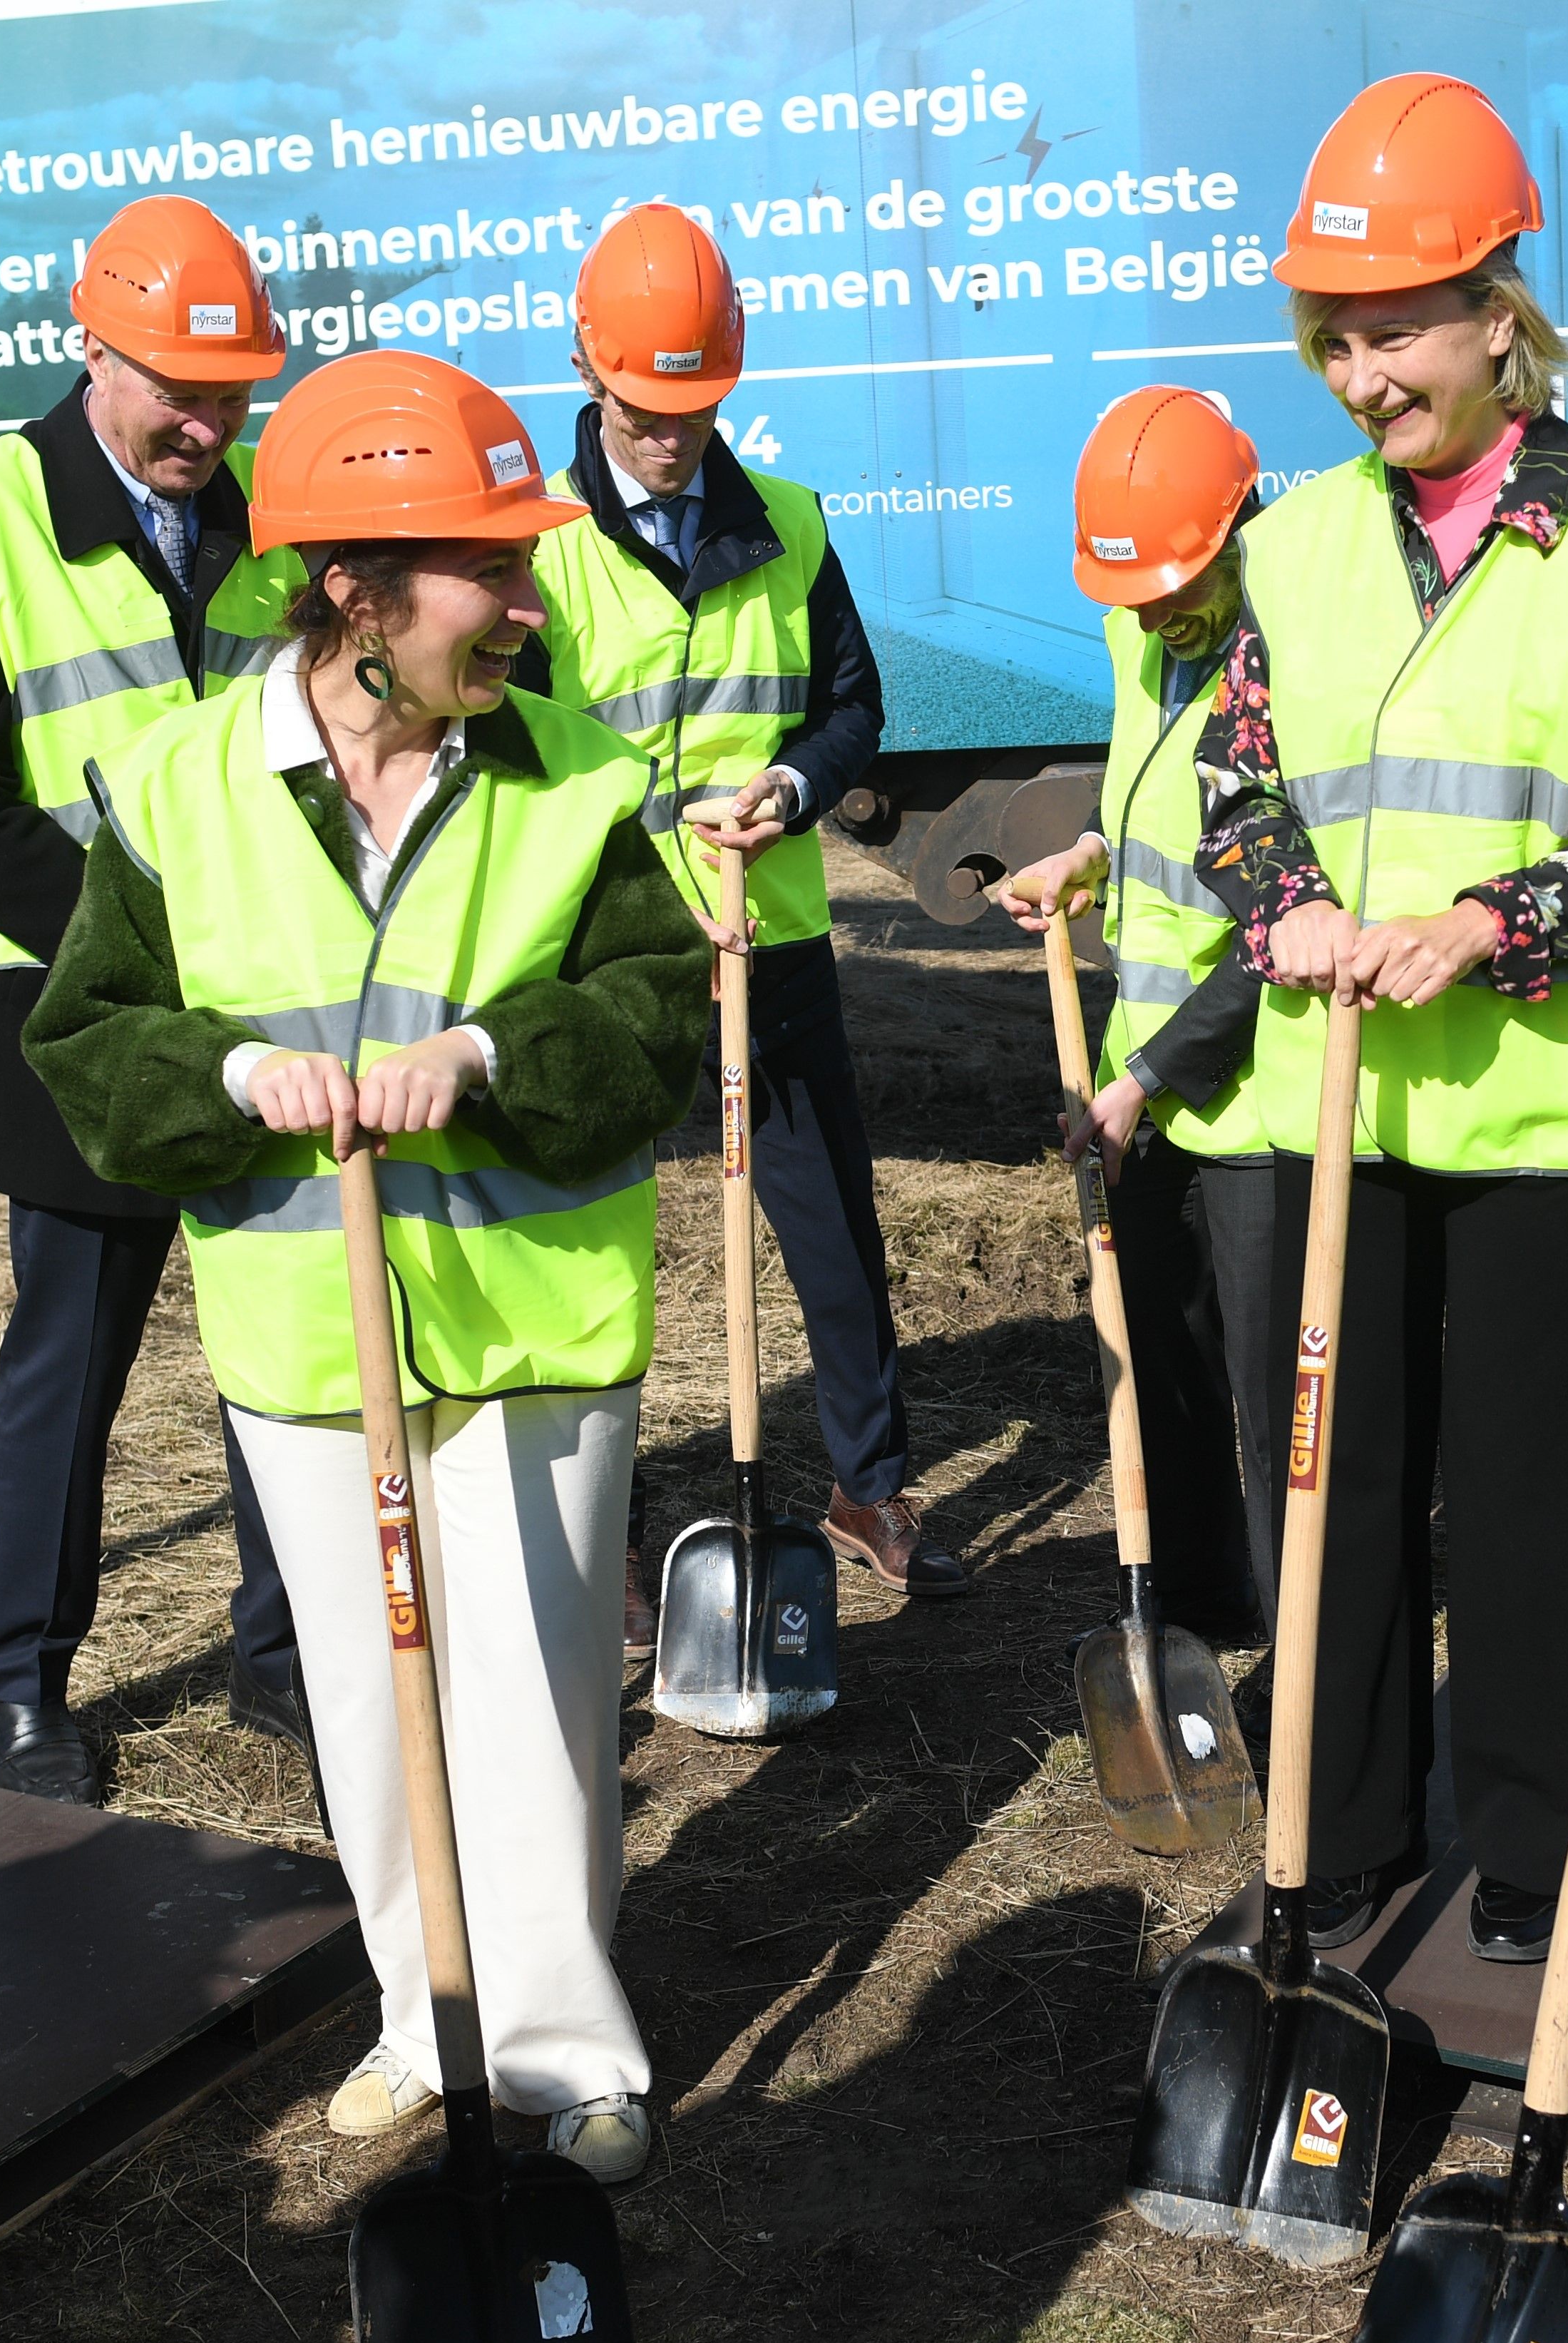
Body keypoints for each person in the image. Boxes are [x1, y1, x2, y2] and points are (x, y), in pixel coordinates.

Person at [22, 352, 706, 2177]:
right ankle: (426, 2020)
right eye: (491, 567)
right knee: (363, 1692)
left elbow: (660, 1026)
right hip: (306, 1335)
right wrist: (236, 1075)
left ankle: (566, 2057)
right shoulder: (173, 789)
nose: (529, 600)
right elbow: (87, 1052)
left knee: (540, 1709)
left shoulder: (580, 779)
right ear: (356, 590)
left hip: (540, 1323)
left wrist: (485, 1061)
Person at [1210, 76, 1568, 1962]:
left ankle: (1527, 1837)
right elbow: (1238, 792)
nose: (1364, 376)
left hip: (1537, 1113)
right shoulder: (1291, 543)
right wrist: (1292, 914)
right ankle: (1330, 1822)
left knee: (1530, 1505)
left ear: (1501, 314)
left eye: (1399, 329)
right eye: (1335, 340)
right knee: (1332, 1495)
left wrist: (1490, 923)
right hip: (1333, 1107)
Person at [0, 194, 313, 1807]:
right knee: (71, 1365)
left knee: (285, 1350)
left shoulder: (279, 527)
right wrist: (130, 941)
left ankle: (288, 1659)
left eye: (232, 393)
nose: (206, 423)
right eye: (176, 391)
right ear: (90, 350)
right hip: (79, 1024)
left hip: (273, 1014)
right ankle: (23, 1691)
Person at [527, 202, 968, 1639]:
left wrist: (790, 784)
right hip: (603, 952)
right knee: (579, 1236)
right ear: (590, 372)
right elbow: (512, 756)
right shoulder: (532, 547)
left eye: (699, 406)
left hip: (767, 941)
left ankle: (869, 1485)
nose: (673, 435)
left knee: (831, 1220)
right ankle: (582, 1509)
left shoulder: (784, 522)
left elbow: (854, 708)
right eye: (650, 408)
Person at [992, 386, 1276, 1644]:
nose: (1159, 614)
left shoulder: (1296, 659)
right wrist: (1090, 857)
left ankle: (1292, 1617)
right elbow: (1166, 814)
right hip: (1142, 1080)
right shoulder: (1138, 636)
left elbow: (1285, 922)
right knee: (1158, 1357)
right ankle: (1203, 1622)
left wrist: (1151, 1075)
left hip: (1256, 1093)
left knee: (1269, 1397)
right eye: (1138, 596)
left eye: (1179, 588)